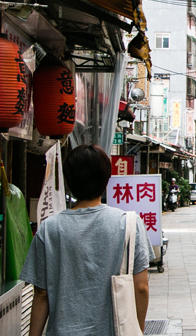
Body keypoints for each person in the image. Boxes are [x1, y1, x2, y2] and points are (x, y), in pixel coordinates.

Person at [21, 144, 155, 336]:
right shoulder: (129, 223)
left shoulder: (49, 228)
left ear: (69, 181)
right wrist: (137, 330)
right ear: (106, 179)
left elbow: (41, 294)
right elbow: (141, 287)